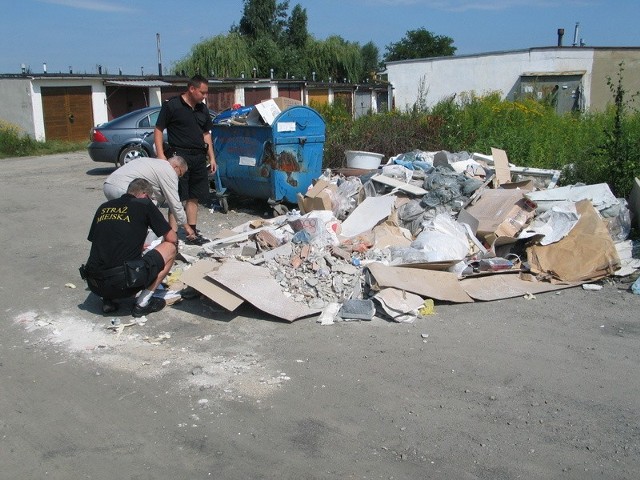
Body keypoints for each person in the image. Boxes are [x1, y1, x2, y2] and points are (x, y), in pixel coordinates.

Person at [81, 178, 177, 316]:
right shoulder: (144, 205)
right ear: (145, 195)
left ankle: (108, 301)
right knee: (171, 248)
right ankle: (142, 304)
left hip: (95, 283)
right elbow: (171, 238)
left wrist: (136, 245)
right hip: (125, 284)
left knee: (107, 254)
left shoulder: (104, 207)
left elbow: (100, 240)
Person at [154, 74, 217, 245]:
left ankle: (192, 234)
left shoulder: (202, 109)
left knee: (194, 196)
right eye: (202, 92)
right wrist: (161, 156)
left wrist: (212, 157)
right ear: (192, 89)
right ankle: (171, 237)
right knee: (176, 197)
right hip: (179, 157)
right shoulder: (172, 105)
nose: (205, 96)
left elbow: (206, 134)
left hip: (198, 157)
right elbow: (159, 129)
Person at [102, 155, 197, 241]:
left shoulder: (155, 163)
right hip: (124, 188)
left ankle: (117, 243)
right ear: (176, 167)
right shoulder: (169, 171)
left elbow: (156, 196)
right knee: (143, 220)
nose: (178, 177)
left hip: (108, 185)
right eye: (180, 174)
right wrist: (186, 227)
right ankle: (142, 251)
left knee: (122, 219)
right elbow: (174, 202)